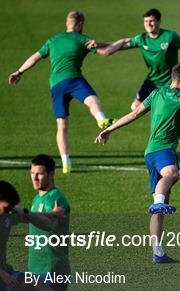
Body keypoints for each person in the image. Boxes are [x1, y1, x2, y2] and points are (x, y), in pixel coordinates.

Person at [95, 63, 180, 264]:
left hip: (150, 153)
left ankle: (158, 253)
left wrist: (110, 129)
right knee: (172, 175)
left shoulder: (156, 93)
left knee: (160, 206)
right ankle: (158, 204)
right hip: (163, 150)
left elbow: (134, 114)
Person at [8, 11, 124, 174]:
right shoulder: (81, 39)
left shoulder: (53, 40)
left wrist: (19, 72)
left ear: (67, 23)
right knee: (91, 100)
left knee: (61, 125)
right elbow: (105, 51)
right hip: (74, 79)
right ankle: (101, 119)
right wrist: (123, 42)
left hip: (56, 85)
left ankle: (65, 162)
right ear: (80, 24)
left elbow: (35, 57)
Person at [101, 8, 180, 110]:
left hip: (170, 81)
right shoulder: (141, 39)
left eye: (152, 21)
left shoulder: (169, 36)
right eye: (146, 21)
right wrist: (98, 44)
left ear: (159, 22)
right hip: (152, 80)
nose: (148, 24)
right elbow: (120, 46)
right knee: (135, 107)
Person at [22, 154, 72, 291]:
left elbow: (56, 219)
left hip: (53, 269)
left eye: (40, 174)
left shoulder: (57, 198)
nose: (35, 178)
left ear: (51, 174)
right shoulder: (37, 198)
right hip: (35, 270)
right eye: (32, 174)